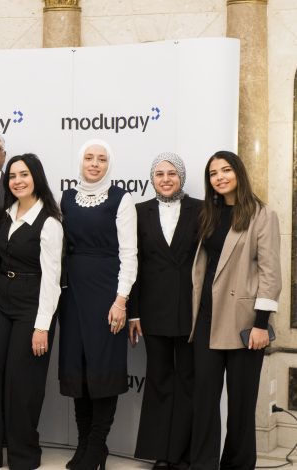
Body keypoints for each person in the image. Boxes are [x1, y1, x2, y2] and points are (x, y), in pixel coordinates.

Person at [0, 154, 63, 470]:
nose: (18, 181)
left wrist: (42, 326)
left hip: (31, 305)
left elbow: (52, 279)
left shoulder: (49, 222)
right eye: (13, 176)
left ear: (36, 178)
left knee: (21, 382)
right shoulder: (5, 214)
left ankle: (23, 456)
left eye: (24, 175)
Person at [189, 150, 281, 470]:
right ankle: (202, 464)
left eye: (226, 170)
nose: (220, 177)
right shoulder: (208, 214)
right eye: (213, 173)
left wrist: (261, 324)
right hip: (206, 318)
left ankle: (238, 466)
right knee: (203, 401)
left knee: (241, 405)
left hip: (244, 322)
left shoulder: (262, 214)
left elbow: (270, 273)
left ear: (239, 173)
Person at [59, 139, 137, 470]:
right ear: (80, 162)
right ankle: (83, 444)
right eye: (89, 158)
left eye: (101, 159)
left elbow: (129, 254)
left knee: (103, 370)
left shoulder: (121, 199)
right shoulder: (66, 198)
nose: (94, 163)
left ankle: (96, 446)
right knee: (78, 371)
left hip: (107, 295)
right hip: (73, 295)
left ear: (109, 164)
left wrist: (121, 301)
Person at [129, 153, 200, 469]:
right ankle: (160, 454)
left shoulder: (201, 209)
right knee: (158, 379)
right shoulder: (138, 212)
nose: (166, 179)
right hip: (152, 310)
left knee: (187, 379)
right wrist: (133, 313)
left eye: (172, 173)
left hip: (190, 311)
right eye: (159, 174)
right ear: (152, 178)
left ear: (181, 177)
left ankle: (182, 454)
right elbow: (132, 265)